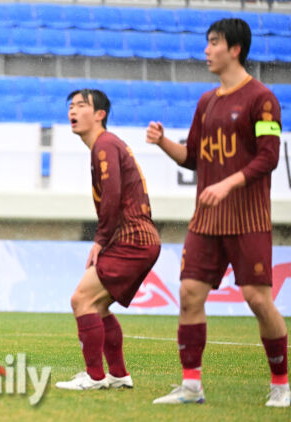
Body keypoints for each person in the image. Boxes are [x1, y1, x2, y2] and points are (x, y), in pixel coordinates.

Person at [149, 18, 289, 407]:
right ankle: (191, 386)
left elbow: (269, 158)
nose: (206, 50)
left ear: (235, 49)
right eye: (207, 42)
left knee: (257, 299)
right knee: (189, 293)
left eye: (213, 43)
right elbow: (193, 158)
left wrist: (228, 184)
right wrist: (162, 143)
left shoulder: (262, 99)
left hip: (248, 219)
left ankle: (281, 384)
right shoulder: (206, 102)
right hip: (207, 220)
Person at [55, 89, 161, 391]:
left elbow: (112, 194)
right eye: (71, 106)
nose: (73, 111)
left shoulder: (104, 144)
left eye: (81, 105)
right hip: (138, 237)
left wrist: (100, 240)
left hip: (131, 238)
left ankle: (95, 377)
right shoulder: (107, 145)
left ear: (100, 114)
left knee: (81, 300)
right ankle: (117, 374)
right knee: (98, 306)